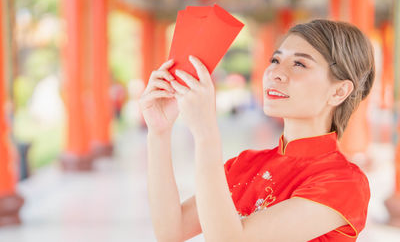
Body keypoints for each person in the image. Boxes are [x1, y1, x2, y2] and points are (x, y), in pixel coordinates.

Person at [139, 19, 375, 242]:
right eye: (275, 60)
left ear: (339, 92)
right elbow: (172, 231)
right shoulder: (245, 165)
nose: (275, 73)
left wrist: (205, 133)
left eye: (299, 64)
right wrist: (159, 132)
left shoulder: (343, 182)